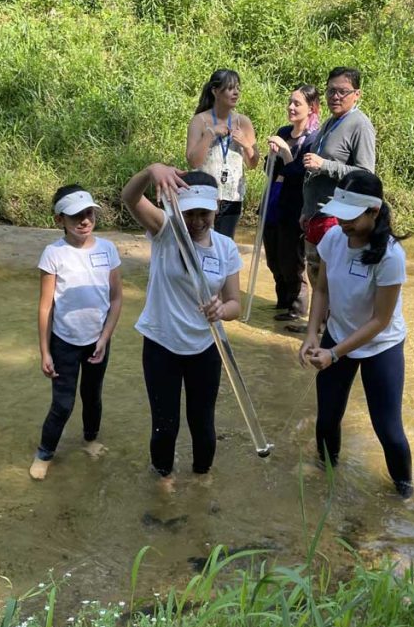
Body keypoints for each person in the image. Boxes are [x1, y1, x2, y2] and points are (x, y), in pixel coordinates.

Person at [121, 164, 243, 491]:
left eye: (205, 213)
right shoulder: (166, 230)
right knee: (165, 424)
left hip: (206, 347)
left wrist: (222, 309)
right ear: (178, 209)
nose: (198, 221)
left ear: (217, 210)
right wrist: (149, 172)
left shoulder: (226, 249)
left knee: (202, 423)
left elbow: (234, 303)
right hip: (162, 344)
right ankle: (164, 481)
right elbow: (129, 198)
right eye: (191, 214)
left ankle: (203, 480)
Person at [298, 170, 413, 499]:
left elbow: (380, 320)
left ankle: (404, 495)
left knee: (388, 430)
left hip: (380, 345)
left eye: (351, 218)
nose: (343, 224)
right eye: (340, 215)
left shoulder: (390, 257)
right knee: (327, 420)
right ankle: (325, 478)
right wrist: (311, 335)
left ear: (373, 212)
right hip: (337, 334)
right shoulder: (333, 238)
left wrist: (334, 354)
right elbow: (321, 289)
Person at [31, 185, 123, 480]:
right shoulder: (53, 253)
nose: (84, 221)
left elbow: (116, 298)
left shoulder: (107, 249)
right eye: (76, 217)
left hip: (98, 341)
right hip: (64, 343)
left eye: (88, 213)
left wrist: (105, 338)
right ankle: (45, 453)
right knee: (62, 404)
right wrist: (45, 351)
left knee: (92, 396)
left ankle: (90, 440)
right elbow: (45, 307)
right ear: (60, 220)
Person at [300, 66, 376, 291]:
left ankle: (333, 325)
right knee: (316, 273)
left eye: (342, 91)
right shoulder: (329, 122)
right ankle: (319, 324)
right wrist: (306, 209)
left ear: (357, 94)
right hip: (316, 214)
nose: (335, 97)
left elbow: (365, 174)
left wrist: (324, 165)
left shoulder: (360, 125)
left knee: (332, 279)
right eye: (331, 91)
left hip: (338, 217)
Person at [265, 85, 320, 323]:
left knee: (292, 257)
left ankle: (297, 308)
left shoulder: (314, 138)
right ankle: (283, 300)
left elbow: (298, 174)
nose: (291, 107)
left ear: (311, 108)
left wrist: (287, 152)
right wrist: (274, 154)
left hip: (296, 203)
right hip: (274, 197)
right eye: (290, 102)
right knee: (273, 255)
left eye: (297, 104)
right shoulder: (284, 130)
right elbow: (273, 168)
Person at [186, 69, 260, 238]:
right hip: (205, 194)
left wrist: (247, 145)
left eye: (238, 89)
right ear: (215, 91)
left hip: (232, 196)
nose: (236, 93)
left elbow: (253, 164)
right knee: (202, 243)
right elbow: (193, 162)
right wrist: (210, 134)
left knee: (225, 245)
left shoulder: (243, 122)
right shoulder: (200, 121)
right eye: (230, 88)